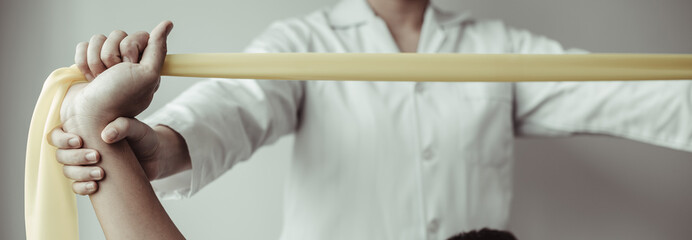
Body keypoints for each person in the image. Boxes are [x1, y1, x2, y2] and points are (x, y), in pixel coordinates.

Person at [49, 0, 692, 239]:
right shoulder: (305, 40)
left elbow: (633, 94)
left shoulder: (501, 46)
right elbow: (231, 110)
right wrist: (147, 146)